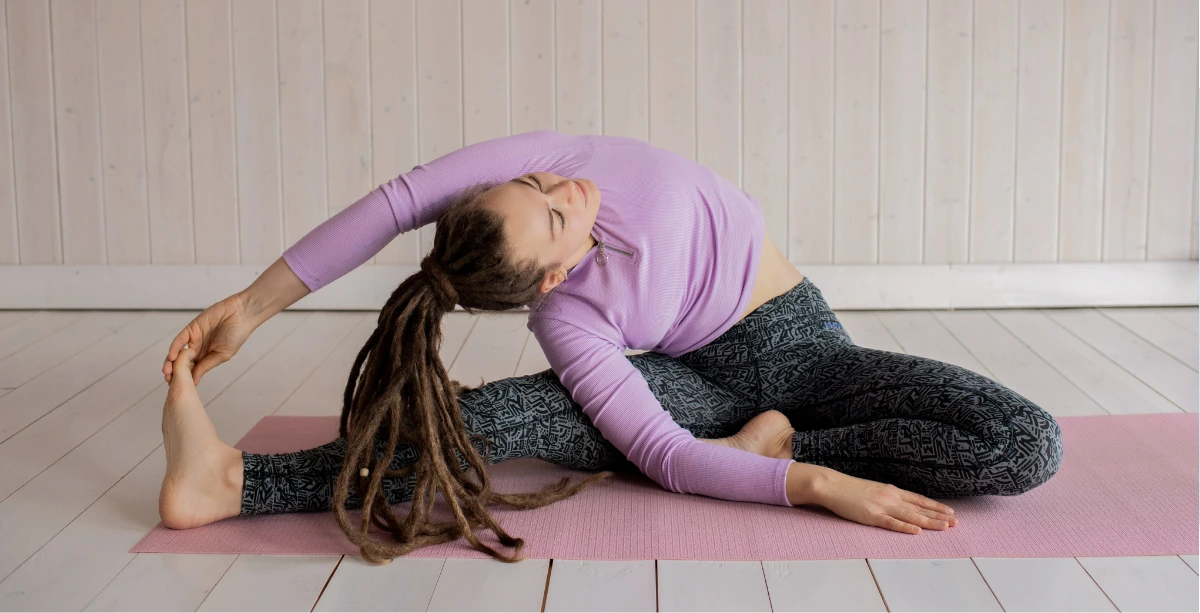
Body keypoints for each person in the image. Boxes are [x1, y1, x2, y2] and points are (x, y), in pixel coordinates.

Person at [158, 130, 1063, 564]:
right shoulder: (569, 324)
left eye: (538, 180)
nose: (571, 184)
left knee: (1025, 443)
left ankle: (773, 441)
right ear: (550, 278)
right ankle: (239, 484)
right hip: (688, 393)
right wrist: (819, 486)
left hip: (808, 352)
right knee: (510, 412)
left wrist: (251, 303)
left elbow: (395, 203)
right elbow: (666, 453)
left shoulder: (559, 155)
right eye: (558, 211)